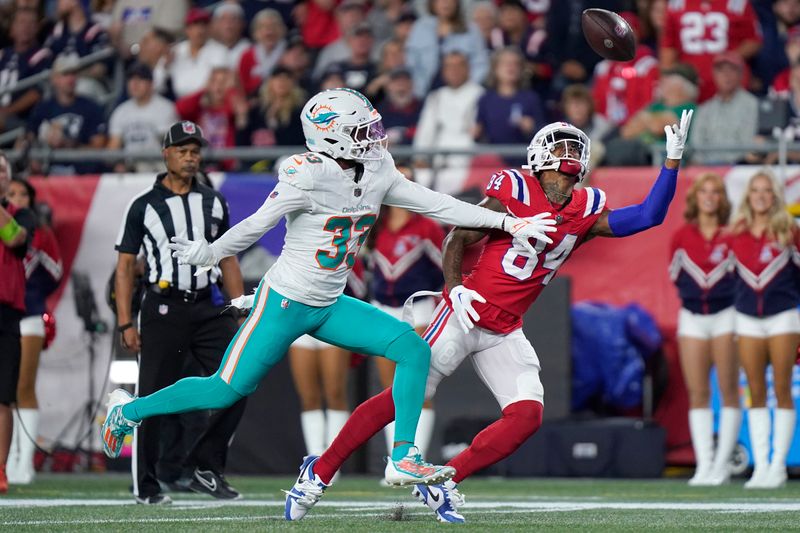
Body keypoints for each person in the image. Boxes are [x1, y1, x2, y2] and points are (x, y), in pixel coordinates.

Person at [99, 88, 558, 510]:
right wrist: (214, 252)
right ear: (330, 137)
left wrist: (506, 224)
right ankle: (129, 410)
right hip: (284, 302)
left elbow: (434, 202)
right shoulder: (306, 173)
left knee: (413, 348)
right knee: (226, 388)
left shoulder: (377, 168)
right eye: (361, 132)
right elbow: (259, 222)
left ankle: (403, 455)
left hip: (330, 303)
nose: (373, 138)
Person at [290, 109, 694, 523]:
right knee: (397, 399)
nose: (568, 157)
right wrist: (454, 288)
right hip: (464, 312)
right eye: (560, 149)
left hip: (505, 329)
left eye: (575, 150)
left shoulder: (587, 210)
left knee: (526, 416)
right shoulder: (513, 188)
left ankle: (444, 482)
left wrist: (671, 163)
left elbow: (648, 216)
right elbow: (458, 236)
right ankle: (317, 474)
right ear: (538, 157)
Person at [112, 121, 247, 505]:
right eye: (183, 151)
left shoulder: (213, 201)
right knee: (152, 395)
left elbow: (228, 258)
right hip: (163, 306)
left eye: (195, 151)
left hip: (207, 305)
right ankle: (146, 483)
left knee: (240, 379)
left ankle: (205, 467)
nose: (191, 158)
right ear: (166, 154)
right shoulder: (143, 205)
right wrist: (126, 320)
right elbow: (125, 267)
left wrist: (238, 309)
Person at [366, 164, 444, 459]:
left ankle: (414, 456)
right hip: (382, 309)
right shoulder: (375, 225)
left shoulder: (427, 228)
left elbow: (445, 270)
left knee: (419, 387)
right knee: (390, 390)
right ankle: (394, 461)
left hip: (418, 310)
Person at [729, 170, 800, 489]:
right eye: (754, 190)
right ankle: (760, 466)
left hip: (783, 315)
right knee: (755, 390)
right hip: (746, 318)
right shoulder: (735, 233)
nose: (760, 195)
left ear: (774, 196)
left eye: (766, 190)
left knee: (782, 388)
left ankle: (778, 465)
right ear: (748, 196)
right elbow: (729, 281)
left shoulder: (790, 231)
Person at [668, 172, 739, 486]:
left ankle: (722, 464)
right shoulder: (681, 236)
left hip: (727, 316)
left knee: (728, 390)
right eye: (704, 192)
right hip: (693, 317)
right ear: (695, 198)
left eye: (716, 192)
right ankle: (704, 465)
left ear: (723, 199)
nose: (710, 197)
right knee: (697, 392)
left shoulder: (734, 235)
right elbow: (676, 276)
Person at [5, 177, 62, 485]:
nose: (16, 197)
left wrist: (29, 291)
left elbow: (55, 271)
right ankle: (8, 459)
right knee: (5, 391)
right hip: (5, 314)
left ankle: (24, 462)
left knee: (23, 387)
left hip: (28, 315)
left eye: (21, 194)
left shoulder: (39, 233)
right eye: (11, 193)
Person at [288, 260, 366, 465]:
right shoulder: (296, 251)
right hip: (300, 325)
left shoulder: (343, 249)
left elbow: (359, 289)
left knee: (335, 393)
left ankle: (332, 462)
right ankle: (314, 459)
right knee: (308, 396)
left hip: (333, 321)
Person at [0, 152, 36, 494]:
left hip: (6, 313)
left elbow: (14, 239)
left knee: (3, 396)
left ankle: (0, 469)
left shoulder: (21, 215)